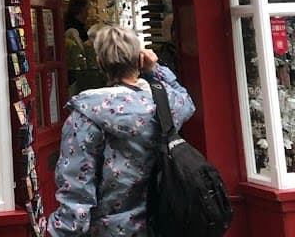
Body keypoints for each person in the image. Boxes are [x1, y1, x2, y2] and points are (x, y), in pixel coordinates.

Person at [47, 25, 195, 237]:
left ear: (99, 63)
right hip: (165, 223)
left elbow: (76, 192)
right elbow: (186, 100)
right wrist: (155, 70)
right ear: (139, 60)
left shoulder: (87, 114)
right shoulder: (166, 103)